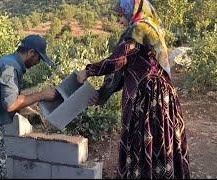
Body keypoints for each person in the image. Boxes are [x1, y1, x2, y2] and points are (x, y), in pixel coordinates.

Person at [77, 0, 190, 179]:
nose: (121, 20)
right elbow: (128, 69)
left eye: (122, 15)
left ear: (133, 10)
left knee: (144, 139)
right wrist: (101, 96)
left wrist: (89, 70)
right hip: (161, 96)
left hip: (146, 96)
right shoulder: (152, 27)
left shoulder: (138, 29)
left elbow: (118, 61)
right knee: (158, 138)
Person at [0, 35, 57, 179]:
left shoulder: (10, 63)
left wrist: (29, 113)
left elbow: (6, 99)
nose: (38, 63)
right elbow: (11, 104)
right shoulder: (10, 67)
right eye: (39, 58)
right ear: (31, 52)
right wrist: (42, 95)